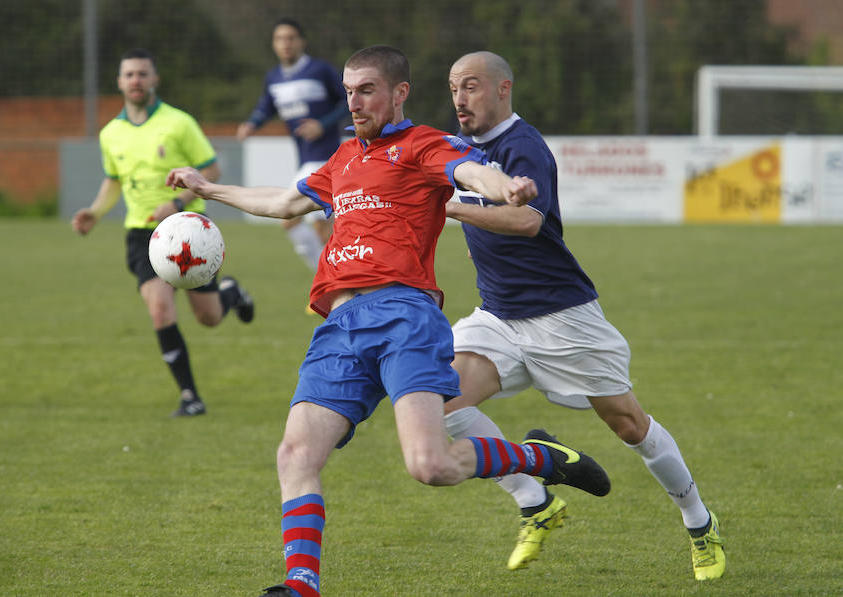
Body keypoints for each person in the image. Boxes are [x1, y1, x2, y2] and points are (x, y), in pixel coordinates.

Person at [168, 45, 611, 597]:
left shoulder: (423, 144)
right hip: (339, 324)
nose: (354, 102)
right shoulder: (343, 158)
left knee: (431, 465)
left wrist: (506, 187)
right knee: (296, 454)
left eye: (367, 90)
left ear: (399, 92)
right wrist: (209, 190)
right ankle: (301, 585)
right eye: (349, 92)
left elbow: (470, 169)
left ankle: (542, 457)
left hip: (405, 315)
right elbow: (283, 203)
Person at [443, 51, 725, 580]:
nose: (459, 98)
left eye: (472, 86)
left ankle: (699, 522)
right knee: (440, 400)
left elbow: (527, 221)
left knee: (629, 425)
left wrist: (454, 209)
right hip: (498, 317)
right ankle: (535, 499)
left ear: (504, 89)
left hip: (561, 316)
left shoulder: (523, 145)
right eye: (454, 87)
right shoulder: (457, 150)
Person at [72, 48, 255, 418]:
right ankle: (190, 396)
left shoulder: (179, 123)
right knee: (159, 307)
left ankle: (230, 293)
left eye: (142, 74)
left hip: (189, 231)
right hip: (143, 235)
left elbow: (212, 169)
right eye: (129, 75)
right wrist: (94, 211)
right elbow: (113, 181)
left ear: (155, 79)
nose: (136, 80)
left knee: (208, 317)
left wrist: (178, 202)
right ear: (120, 82)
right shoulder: (111, 133)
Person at [237, 18, 348, 284]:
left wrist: (322, 125)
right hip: (306, 160)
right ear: (274, 44)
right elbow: (267, 106)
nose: (285, 44)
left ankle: (330, 282)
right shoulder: (273, 78)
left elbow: (347, 101)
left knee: (290, 218)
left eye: (290, 38)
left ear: (301, 41)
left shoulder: (320, 70)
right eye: (280, 39)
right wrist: (252, 124)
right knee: (322, 229)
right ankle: (338, 282)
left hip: (327, 157)